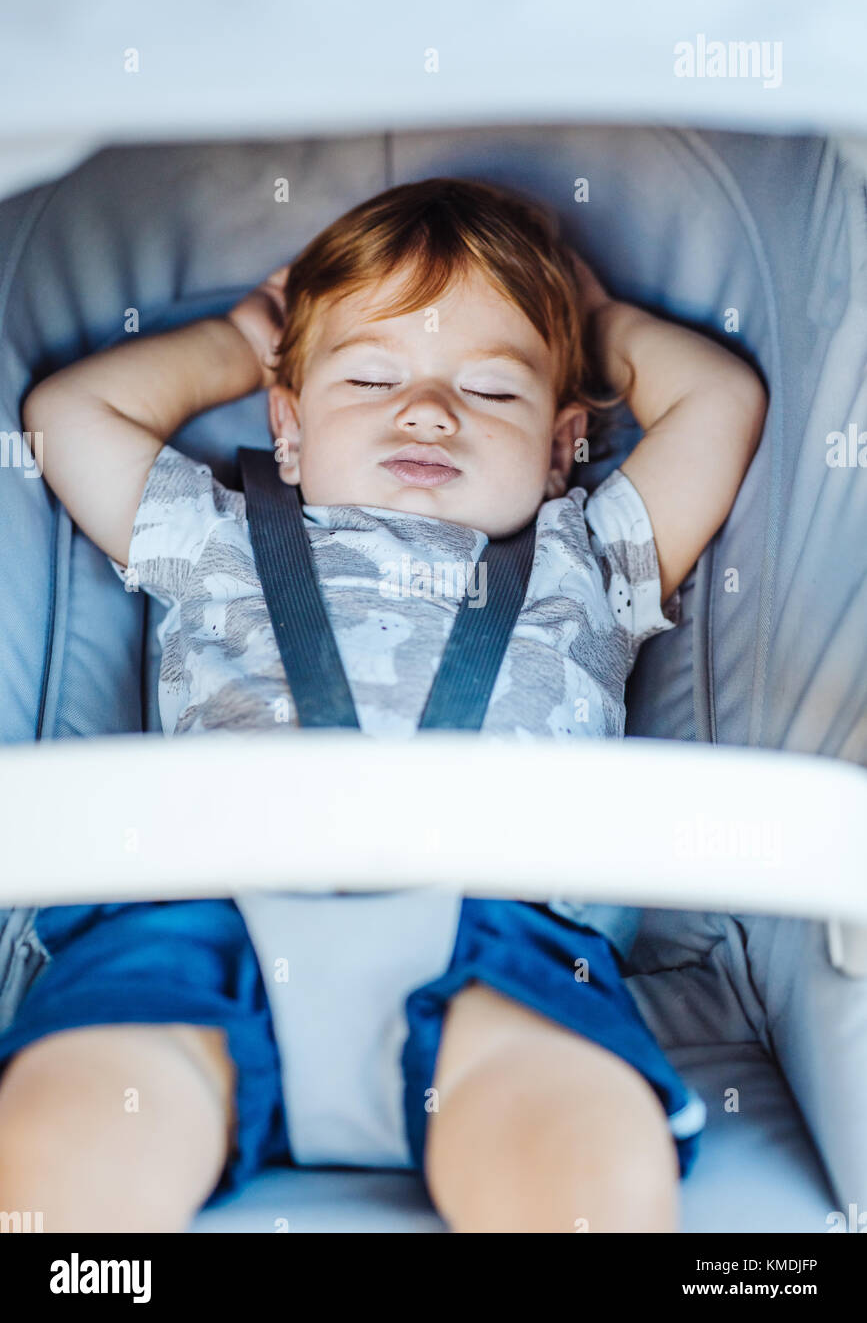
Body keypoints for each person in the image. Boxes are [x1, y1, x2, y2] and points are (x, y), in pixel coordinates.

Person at [0, 177, 766, 1233]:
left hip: (506, 942)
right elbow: (64, 417)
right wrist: (238, 341)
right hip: (199, 913)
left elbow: (716, 405)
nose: (428, 409)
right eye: (368, 377)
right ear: (292, 428)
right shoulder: (214, 534)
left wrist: (597, 324)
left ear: (559, 448)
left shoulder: (594, 556)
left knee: (578, 1139)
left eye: (495, 392)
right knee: (77, 1123)